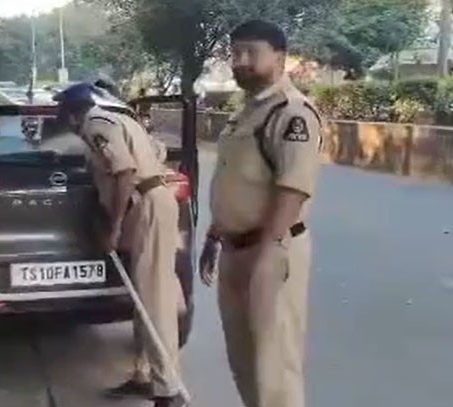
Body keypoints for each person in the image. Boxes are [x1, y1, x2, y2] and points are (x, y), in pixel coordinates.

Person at [199, 20, 323, 407]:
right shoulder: (247, 112)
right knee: (245, 361)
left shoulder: (292, 113)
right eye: (235, 53)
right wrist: (215, 234)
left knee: (274, 368)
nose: (240, 61)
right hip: (235, 251)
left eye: (251, 53)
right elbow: (237, 181)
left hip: (270, 250)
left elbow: (293, 188)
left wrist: (269, 255)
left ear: (280, 58)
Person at [54, 83, 186, 407]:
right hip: (153, 200)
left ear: (72, 115)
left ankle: (168, 389)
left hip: (146, 204)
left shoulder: (95, 125)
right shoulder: (120, 117)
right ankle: (143, 374)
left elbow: (125, 172)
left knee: (155, 300)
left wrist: (113, 227)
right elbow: (158, 151)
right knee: (145, 294)